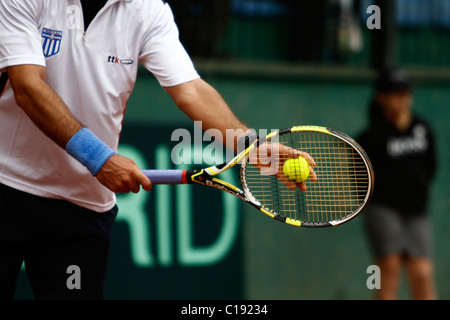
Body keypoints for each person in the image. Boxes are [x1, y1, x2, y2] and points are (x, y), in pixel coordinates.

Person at [0, 1, 314, 299]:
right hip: (7, 186)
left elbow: (190, 90)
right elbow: (28, 87)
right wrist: (99, 158)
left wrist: (250, 146)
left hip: (82, 210)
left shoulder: (149, 10)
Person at [357, 69, 437, 300]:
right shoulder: (369, 138)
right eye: (396, 92)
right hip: (382, 208)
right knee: (388, 270)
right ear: (381, 97)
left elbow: (430, 167)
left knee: (422, 272)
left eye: (406, 92)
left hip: (417, 209)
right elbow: (359, 181)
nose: (403, 98)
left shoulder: (422, 128)